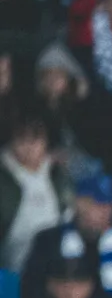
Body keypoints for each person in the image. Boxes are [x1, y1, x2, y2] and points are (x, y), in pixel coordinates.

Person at [0, 110, 71, 273]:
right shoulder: (3, 179)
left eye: (35, 139)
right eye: (22, 139)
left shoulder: (58, 174)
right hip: (11, 269)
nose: (29, 147)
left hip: (54, 267)